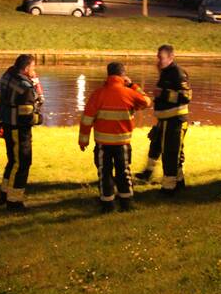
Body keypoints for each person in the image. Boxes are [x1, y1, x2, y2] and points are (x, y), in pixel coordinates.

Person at [78, 62, 152, 213]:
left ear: (108, 74)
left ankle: (107, 204)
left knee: (104, 173)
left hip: (102, 143)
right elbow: (147, 101)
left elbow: (87, 119)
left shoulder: (98, 94)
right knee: (123, 171)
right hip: (122, 142)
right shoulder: (129, 94)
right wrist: (133, 85)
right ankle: (127, 203)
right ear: (123, 75)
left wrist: (83, 140)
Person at [135, 44, 191, 194]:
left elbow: (186, 97)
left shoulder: (178, 73)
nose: (158, 60)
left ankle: (169, 187)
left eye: (161, 58)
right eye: (157, 57)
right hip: (165, 120)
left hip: (175, 121)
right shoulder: (166, 72)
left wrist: (163, 94)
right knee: (158, 146)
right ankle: (177, 182)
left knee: (171, 153)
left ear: (171, 57)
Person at [0, 54, 43, 210]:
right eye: (33, 67)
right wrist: (39, 119)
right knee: (22, 163)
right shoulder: (26, 87)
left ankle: (4, 193)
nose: (34, 70)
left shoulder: (5, 77)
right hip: (19, 129)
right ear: (26, 68)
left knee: (12, 161)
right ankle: (14, 201)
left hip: (7, 124)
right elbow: (26, 117)